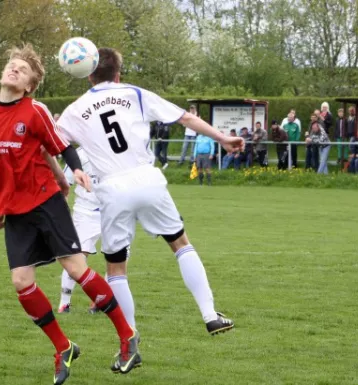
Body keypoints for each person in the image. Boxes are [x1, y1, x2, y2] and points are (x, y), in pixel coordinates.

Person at [0, 44, 138, 384]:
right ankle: (64, 347)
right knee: (21, 282)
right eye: (11, 65)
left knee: (76, 269)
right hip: (15, 209)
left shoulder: (35, 112)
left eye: (23, 69)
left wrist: (74, 171)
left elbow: (60, 147)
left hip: (45, 200)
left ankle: (127, 336)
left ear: (30, 85)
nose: (14, 70)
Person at [57, 47, 238, 349]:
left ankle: (129, 339)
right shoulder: (135, 94)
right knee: (181, 244)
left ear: (88, 74)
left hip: (111, 190)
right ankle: (210, 315)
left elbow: (51, 142)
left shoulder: (76, 109)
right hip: (148, 179)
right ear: (118, 73)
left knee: (116, 268)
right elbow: (186, 119)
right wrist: (223, 138)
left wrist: (63, 176)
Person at [57, 147, 108, 315]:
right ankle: (64, 303)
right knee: (77, 258)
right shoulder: (80, 154)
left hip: (114, 212)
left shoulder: (116, 149)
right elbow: (64, 183)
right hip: (85, 213)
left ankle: (100, 301)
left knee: (118, 260)